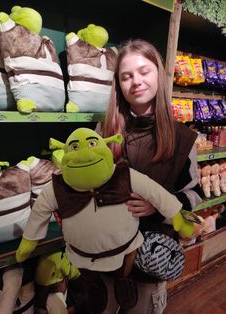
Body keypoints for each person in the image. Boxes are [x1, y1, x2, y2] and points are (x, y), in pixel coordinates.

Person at [96, 39, 203, 314]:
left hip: (149, 259)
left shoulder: (182, 138)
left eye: (144, 71)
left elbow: (194, 194)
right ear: (118, 84)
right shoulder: (104, 130)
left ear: (159, 74)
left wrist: (159, 207)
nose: (136, 81)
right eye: (126, 76)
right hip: (104, 255)